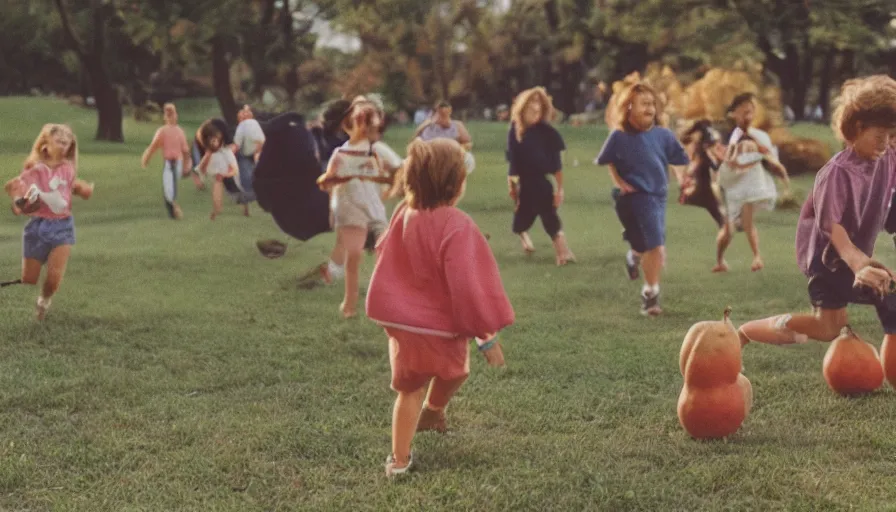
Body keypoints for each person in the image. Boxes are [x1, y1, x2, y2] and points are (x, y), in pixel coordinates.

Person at [366, 138, 515, 477]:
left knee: (409, 390)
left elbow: (383, 248)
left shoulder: (405, 212)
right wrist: (486, 336)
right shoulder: (457, 224)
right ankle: (426, 421)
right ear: (454, 184)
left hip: (404, 326)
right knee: (450, 373)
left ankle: (405, 452)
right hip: (438, 328)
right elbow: (467, 284)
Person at [738, 75, 896, 349]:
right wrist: (859, 264)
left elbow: (889, 203)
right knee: (840, 321)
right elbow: (831, 227)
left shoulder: (886, 157)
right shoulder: (836, 173)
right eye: (880, 136)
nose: (887, 143)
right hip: (829, 261)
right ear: (856, 128)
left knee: (828, 328)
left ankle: (744, 333)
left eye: (892, 136)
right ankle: (743, 334)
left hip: (854, 259)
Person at [595, 82, 689, 316]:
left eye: (652, 104)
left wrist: (685, 180)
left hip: (656, 197)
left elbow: (679, 159)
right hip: (629, 198)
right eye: (643, 104)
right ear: (629, 107)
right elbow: (608, 160)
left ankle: (649, 292)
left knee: (652, 245)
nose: (650, 108)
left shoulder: (663, 135)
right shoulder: (619, 137)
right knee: (651, 244)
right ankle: (637, 256)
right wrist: (620, 182)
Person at [316, 98, 403, 318]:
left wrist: (392, 185)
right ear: (350, 125)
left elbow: (400, 170)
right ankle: (350, 303)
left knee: (386, 250)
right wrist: (331, 183)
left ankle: (388, 298)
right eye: (365, 124)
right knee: (354, 253)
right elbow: (326, 182)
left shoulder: (377, 151)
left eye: (374, 126)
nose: (371, 130)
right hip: (349, 208)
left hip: (373, 208)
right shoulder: (340, 154)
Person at [3, 124, 94, 320]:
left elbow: (69, 187)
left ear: (70, 146)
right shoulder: (33, 170)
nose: (63, 142)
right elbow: (22, 198)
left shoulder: (68, 169)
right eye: (58, 139)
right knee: (29, 279)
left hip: (62, 226)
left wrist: (83, 189)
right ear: (46, 144)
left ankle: (44, 300)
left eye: (66, 140)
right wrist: (17, 200)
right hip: (37, 227)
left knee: (53, 278)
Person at [714, 93, 792, 273]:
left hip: (751, 186)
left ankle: (757, 257)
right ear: (733, 115)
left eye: (750, 112)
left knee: (748, 222)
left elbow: (769, 156)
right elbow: (731, 163)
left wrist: (781, 173)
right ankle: (720, 260)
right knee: (729, 229)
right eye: (743, 113)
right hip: (733, 185)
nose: (747, 116)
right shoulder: (732, 137)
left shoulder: (758, 136)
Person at [506, 86, 575, 265]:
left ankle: (563, 253)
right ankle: (524, 238)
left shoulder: (547, 133)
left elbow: (557, 166)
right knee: (522, 220)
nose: (535, 111)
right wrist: (512, 186)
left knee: (549, 216)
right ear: (523, 108)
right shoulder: (515, 131)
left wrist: (560, 190)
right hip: (524, 184)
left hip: (542, 184)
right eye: (531, 107)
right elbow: (513, 165)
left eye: (538, 108)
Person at [140, 103, 191, 219]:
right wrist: (146, 158)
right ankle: (173, 210)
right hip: (174, 163)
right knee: (169, 187)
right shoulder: (172, 131)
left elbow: (185, 150)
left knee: (169, 188)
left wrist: (146, 159)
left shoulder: (172, 131)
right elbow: (154, 146)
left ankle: (175, 208)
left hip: (174, 162)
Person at [196, 120, 239, 220]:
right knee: (217, 183)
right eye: (212, 140)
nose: (215, 143)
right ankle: (217, 209)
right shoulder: (209, 152)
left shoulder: (226, 151)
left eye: (216, 140)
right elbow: (202, 168)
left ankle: (241, 203)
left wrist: (226, 174)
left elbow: (234, 169)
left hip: (227, 171)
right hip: (217, 173)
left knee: (234, 188)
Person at [230, 104, 266, 212]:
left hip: (253, 154)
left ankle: (246, 200)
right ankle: (245, 204)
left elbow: (261, 142)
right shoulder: (241, 127)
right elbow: (236, 146)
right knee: (248, 183)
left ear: (252, 114)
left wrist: (258, 154)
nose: (244, 113)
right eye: (242, 112)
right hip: (244, 155)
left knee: (251, 183)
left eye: (247, 111)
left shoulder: (252, 124)